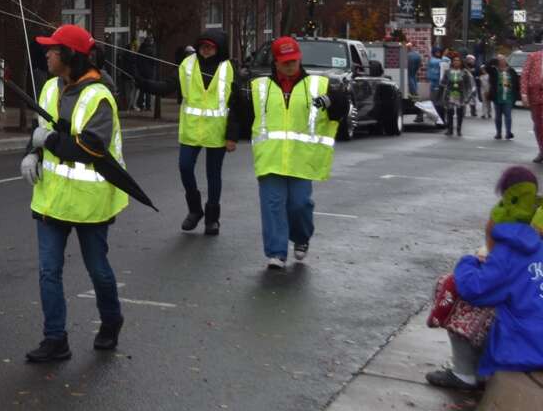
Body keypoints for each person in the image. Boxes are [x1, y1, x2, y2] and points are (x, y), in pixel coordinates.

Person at [19, 23, 127, 363]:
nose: (47, 54)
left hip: (89, 203)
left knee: (97, 269)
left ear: (70, 56)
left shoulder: (100, 96)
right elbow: (42, 130)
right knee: (49, 271)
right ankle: (55, 339)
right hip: (51, 198)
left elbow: (90, 148)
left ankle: (111, 321)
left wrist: (46, 142)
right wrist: (31, 152)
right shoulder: (50, 88)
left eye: (53, 49)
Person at [235, 35, 349, 272]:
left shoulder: (318, 84)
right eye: (285, 61)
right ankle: (276, 252)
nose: (290, 64)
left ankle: (301, 237)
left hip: (302, 159)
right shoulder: (260, 87)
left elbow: (341, 108)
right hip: (270, 158)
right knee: (272, 205)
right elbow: (242, 115)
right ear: (276, 62)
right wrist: (230, 135)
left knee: (300, 205)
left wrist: (331, 101)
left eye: (294, 60)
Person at [426, 166, 543, 390]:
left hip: (524, 348)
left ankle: (464, 373)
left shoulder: (508, 251)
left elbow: (474, 288)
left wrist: (467, 262)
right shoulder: (538, 241)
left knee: (450, 285)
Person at [133, 29, 235, 235]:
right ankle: (195, 210)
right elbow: (167, 86)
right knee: (185, 167)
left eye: (210, 47)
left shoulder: (228, 69)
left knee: (213, 175)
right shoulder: (187, 65)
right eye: (203, 46)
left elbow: (236, 104)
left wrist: (232, 136)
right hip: (191, 130)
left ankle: (212, 219)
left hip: (217, 132)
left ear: (218, 49)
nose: (205, 50)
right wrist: (144, 84)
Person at [437, 52, 473, 138]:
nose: (456, 62)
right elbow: (442, 83)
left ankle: (459, 129)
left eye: (458, 61)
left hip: (460, 95)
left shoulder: (464, 72)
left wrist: (468, 96)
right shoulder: (448, 72)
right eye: (455, 61)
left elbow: (469, 85)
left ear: (461, 62)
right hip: (450, 94)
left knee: (460, 112)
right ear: (452, 62)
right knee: (450, 112)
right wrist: (440, 95)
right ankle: (450, 129)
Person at [488, 53, 521, 141]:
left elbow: (517, 83)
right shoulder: (494, 70)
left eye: (503, 59)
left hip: (508, 97)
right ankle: (498, 133)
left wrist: (516, 95)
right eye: (499, 60)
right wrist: (493, 60)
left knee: (508, 115)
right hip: (497, 97)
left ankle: (508, 132)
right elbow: (487, 67)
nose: (501, 61)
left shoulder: (511, 70)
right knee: (498, 116)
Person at [523, 47, 543, 164]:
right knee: (539, 124)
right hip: (535, 95)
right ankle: (542, 149)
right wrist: (524, 94)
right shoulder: (533, 56)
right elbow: (525, 75)